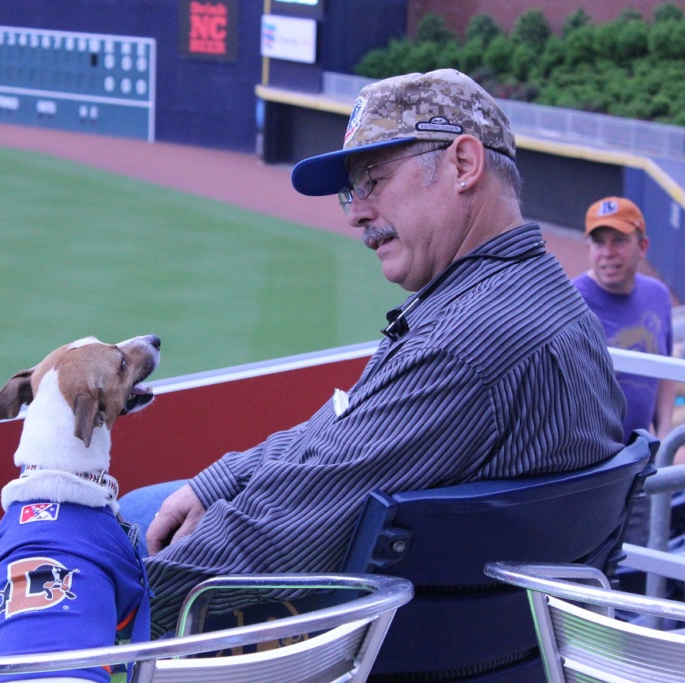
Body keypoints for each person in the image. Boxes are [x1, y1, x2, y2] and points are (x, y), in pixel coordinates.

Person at [119, 69, 626, 636]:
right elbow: (340, 429)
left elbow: (267, 538)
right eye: (349, 192)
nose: (355, 212)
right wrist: (220, 480)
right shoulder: (552, 300)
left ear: (463, 165)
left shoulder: (462, 346)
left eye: (374, 181)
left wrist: (115, 591)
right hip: (507, 646)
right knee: (165, 506)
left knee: (114, 533)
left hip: (390, 650)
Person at [572, 197, 676, 444]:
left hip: (641, 452)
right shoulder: (570, 301)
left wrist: (663, 433)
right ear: (589, 250)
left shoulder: (658, 295)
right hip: (589, 457)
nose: (607, 252)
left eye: (618, 240)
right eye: (599, 242)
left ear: (642, 246)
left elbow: (664, 370)